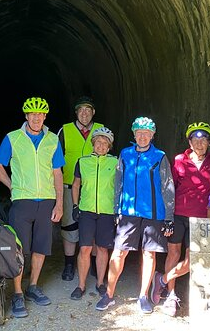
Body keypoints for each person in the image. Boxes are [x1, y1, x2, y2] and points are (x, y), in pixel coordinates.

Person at [0, 97, 65, 318]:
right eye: (32, 114)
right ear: (26, 116)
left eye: (40, 114)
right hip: (22, 201)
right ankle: (18, 293)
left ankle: (32, 286)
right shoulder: (13, 138)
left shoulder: (52, 139)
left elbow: (57, 173)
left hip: (47, 200)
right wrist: (12, 185)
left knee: (41, 246)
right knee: (19, 249)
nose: (36, 118)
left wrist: (60, 203)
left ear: (44, 117)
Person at [150, 122, 210, 316]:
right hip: (178, 214)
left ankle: (161, 279)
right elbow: (170, 188)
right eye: (195, 139)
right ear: (189, 141)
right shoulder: (179, 160)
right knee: (173, 253)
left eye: (204, 140)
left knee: (192, 258)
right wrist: (167, 216)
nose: (200, 143)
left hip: (201, 218)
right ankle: (170, 295)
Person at [96, 117, 174, 314]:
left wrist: (169, 216)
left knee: (149, 253)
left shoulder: (160, 156)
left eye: (146, 133)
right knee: (119, 252)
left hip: (153, 213)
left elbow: (167, 186)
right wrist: (117, 209)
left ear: (152, 135)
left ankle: (143, 295)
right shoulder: (125, 154)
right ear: (134, 134)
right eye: (139, 133)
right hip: (128, 211)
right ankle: (109, 294)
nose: (142, 136)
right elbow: (119, 183)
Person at [57, 96, 104, 281]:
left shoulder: (101, 129)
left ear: (93, 112)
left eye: (88, 109)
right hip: (70, 186)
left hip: (94, 187)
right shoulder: (65, 130)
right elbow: (56, 161)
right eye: (81, 110)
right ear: (76, 112)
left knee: (93, 225)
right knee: (69, 225)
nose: (84, 113)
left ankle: (92, 263)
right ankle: (69, 264)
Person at [69, 127, 117, 300]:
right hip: (87, 210)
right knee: (85, 248)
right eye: (98, 142)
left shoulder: (115, 162)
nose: (101, 146)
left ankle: (100, 283)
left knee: (103, 248)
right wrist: (75, 206)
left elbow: (120, 187)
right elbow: (75, 185)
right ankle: (81, 285)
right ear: (93, 143)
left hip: (107, 211)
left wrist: (118, 210)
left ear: (109, 147)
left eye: (105, 143)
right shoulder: (82, 162)